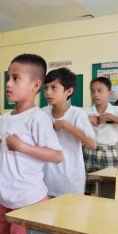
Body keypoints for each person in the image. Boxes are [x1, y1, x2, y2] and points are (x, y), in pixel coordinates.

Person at [0, 53, 63, 234]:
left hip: (28, 201)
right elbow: (4, 149)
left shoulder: (38, 118)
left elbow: (56, 155)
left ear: (35, 85)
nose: (8, 84)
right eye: (8, 78)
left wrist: (22, 147)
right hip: (4, 198)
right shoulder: (7, 118)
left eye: (16, 78)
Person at [42, 68, 97, 197]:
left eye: (54, 88)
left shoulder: (77, 114)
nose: (48, 92)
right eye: (46, 88)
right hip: (46, 178)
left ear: (69, 91)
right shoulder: (43, 113)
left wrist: (67, 126)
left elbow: (92, 144)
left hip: (70, 179)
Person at [83, 77, 118, 194]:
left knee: (109, 188)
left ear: (109, 93)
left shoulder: (117, 110)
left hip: (108, 152)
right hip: (89, 152)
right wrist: (87, 119)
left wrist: (111, 117)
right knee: (87, 189)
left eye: (100, 90)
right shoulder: (85, 111)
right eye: (92, 91)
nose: (96, 94)